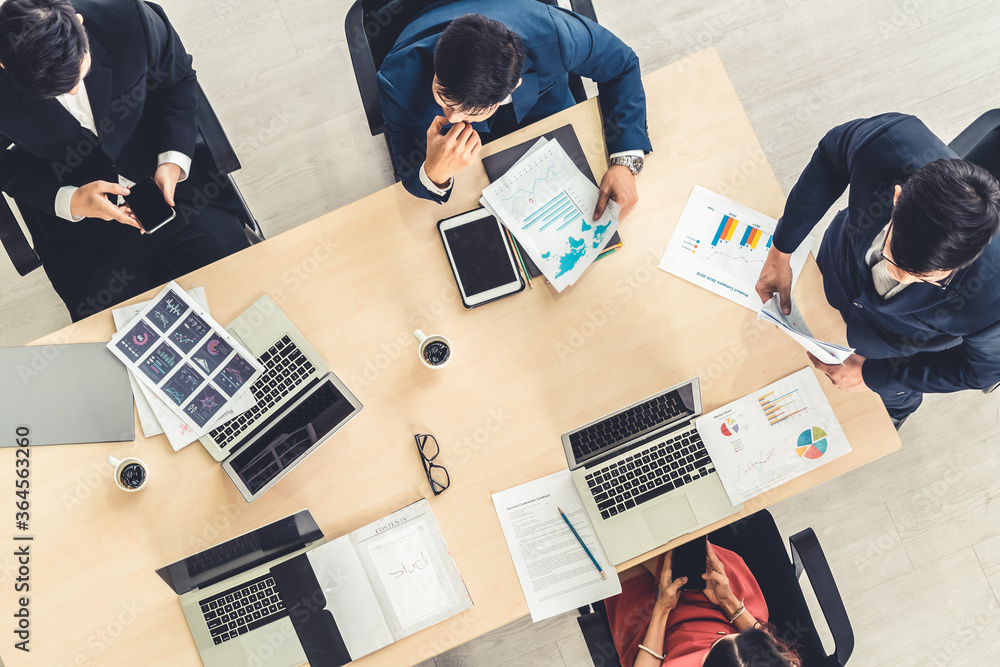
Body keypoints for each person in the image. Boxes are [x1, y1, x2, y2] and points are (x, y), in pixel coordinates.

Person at [0, 0, 251, 321]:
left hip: (178, 193)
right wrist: (72, 201)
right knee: (118, 346)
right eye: (54, 91)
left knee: (243, 294)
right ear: (4, 66)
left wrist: (173, 159)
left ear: (79, 22)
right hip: (82, 232)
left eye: (79, 73)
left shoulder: (132, 17)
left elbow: (177, 80)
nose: (74, 91)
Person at [754, 113, 1000, 427]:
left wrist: (873, 376)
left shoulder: (994, 300)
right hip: (836, 267)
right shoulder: (889, 141)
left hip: (898, 347)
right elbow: (831, 156)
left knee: (890, 406)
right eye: (895, 259)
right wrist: (780, 252)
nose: (900, 278)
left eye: (927, 277)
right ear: (898, 197)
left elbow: (979, 370)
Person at [377, 1, 651, 218]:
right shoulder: (397, 78)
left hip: (547, 113)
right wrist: (435, 172)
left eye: (468, 112)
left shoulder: (556, 35)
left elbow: (622, 65)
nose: (451, 118)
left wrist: (626, 162)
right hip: (472, 169)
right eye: (444, 99)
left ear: (513, 86)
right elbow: (407, 165)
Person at [605, 541, 800, 666]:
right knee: (679, 544)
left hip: (656, 634)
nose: (729, 635)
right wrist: (728, 601)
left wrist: (662, 609)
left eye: (716, 645)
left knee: (616, 549)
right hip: (721, 608)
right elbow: (767, 644)